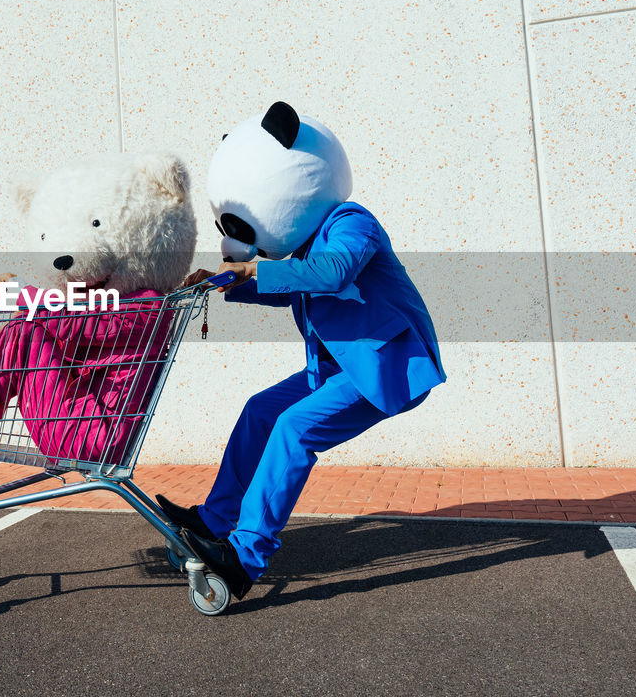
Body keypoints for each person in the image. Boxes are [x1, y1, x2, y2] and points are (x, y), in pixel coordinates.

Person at [156, 102, 446, 601]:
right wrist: (224, 281)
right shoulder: (302, 250)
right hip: (335, 369)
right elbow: (297, 286)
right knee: (260, 411)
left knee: (293, 430)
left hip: (381, 367)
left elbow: (333, 274)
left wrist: (252, 272)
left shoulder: (352, 222)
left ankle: (244, 560)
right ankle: (213, 519)